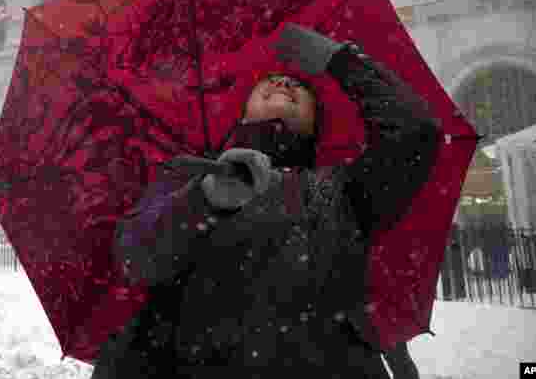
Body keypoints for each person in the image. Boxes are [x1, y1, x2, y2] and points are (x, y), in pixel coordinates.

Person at [91, 24, 439, 379]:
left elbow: (416, 133)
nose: (285, 84)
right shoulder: (189, 175)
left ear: (315, 125)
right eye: (269, 81)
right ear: (243, 114)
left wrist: (341, 61)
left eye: (300, 87)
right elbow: (135, 257)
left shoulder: (344, 188)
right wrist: (206, 198)